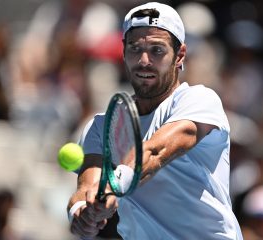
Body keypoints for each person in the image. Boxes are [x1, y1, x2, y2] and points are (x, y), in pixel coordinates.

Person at [67, 2, 243, 239]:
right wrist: (82, 212)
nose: (144, 60)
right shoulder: (100, 126)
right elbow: (87, 186)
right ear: (123, 52)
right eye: (135, 48)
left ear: (179, 55)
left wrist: (112, 187)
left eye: (157, 50)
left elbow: (154, 152)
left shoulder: (200, 100)